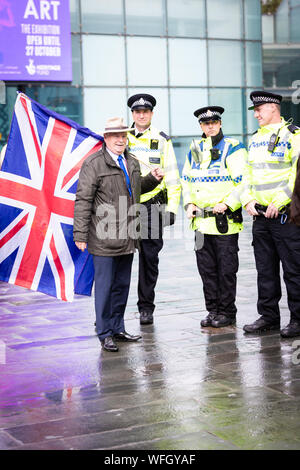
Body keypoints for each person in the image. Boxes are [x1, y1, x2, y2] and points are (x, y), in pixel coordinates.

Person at [73, 117, 163, 352]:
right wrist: (80, 234)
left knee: (121, 286)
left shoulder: (131, 161)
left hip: (128, 236)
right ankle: (104, 332)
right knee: (104, 287)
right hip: (103, 238)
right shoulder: (93, 164)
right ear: (106, 138)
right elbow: (83, 200)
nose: (120, 139)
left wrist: (152, 179)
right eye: (116, 136)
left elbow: (136, 188)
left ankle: (117, 327)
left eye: (124, 135)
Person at [241, 90, 300, 338]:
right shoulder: (255, 139)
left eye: (259, 110)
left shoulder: (292, 135)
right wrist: (247, 199)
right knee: (265, 269)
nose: (256, 115)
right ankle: (268, 316)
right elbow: (247, 174)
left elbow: (297, 173)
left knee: (293, 270)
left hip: (284, 215)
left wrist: (280, 200)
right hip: (260, 216)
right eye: (254, 111)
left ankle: (298, 319)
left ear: (274, 108)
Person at [182, 106, 247, 328]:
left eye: (213, 122)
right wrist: (188, 202)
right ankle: (213, 311)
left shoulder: (233, 147)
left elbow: (243, 182)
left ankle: (227, 312)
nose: (209, 126)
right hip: (200, 223)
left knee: (226, 270)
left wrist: (228, 203)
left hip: (224, 222)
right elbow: (187, 181)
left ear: (219, 123)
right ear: (201, 126)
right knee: (207, 271)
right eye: (205, 123)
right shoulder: (195, 149)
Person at [127, 93, 181, 325]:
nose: (141, 115)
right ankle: (113, 309)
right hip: (125, 205)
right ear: (132, 114)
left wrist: (172, 209)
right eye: (137, 111)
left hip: (153, 207)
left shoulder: (161, 139)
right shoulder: (122, 137)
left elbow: (173, 176)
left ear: (151, 114)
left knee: (149, 260)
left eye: (145, 111)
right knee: (119, 258)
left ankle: (146, 307)